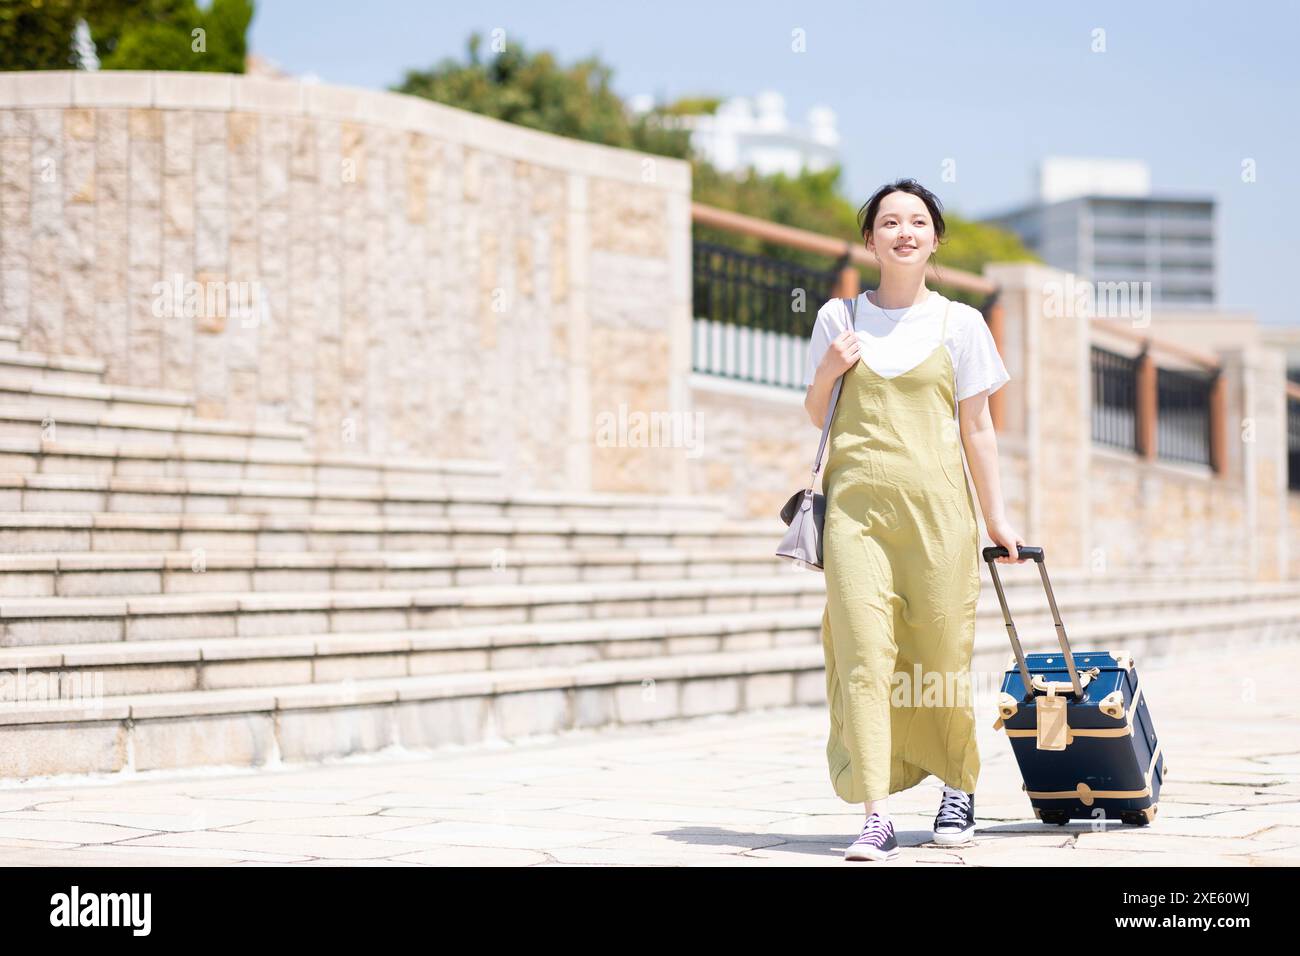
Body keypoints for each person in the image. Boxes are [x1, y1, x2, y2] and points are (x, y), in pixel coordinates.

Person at [801, 178, 1027, 862]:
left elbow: (979, 429)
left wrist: (998, 518)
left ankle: (957, 785)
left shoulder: (961, 323)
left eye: (918, 222)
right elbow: (818, 416)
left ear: (934, 238)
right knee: (863, 656)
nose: (904, 231)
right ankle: (875, 813)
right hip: (856, 517)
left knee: (941, 655)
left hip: (940, 521)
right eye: (889, 221)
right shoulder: (838, 321)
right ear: (870, 239)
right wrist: (827, 375)